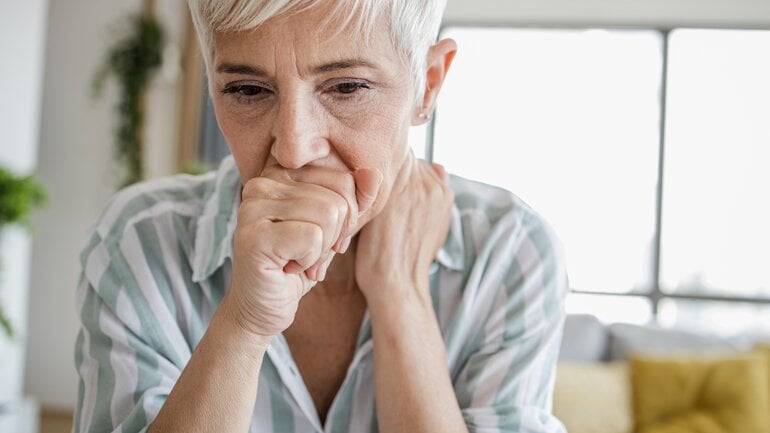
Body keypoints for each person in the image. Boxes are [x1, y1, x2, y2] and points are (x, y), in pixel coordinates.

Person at [73, 0, 569, 432]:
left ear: (428, 85)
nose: (294, 148)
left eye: (347, 87)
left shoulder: (510, 251)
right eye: (248, 90)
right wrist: (245, 324)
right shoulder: (141, 239)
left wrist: (401, 292)